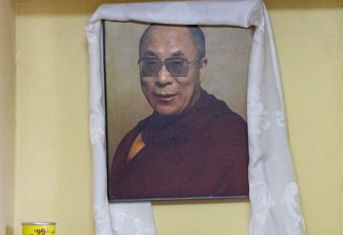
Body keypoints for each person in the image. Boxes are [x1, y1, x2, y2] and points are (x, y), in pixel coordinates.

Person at [107, 23, 249, 200]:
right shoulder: (132, 141)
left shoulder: (228, 136)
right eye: (150, 64)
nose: (162, 78)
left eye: (177, 64)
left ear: (201, 69)